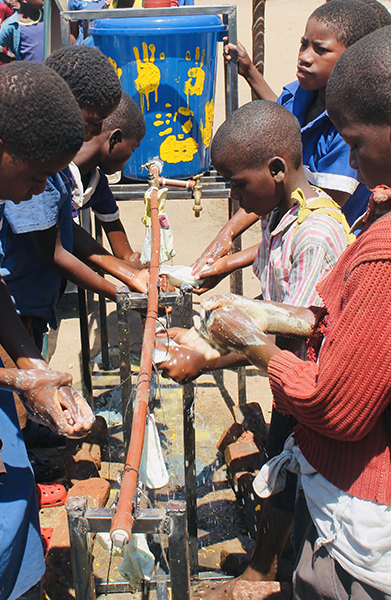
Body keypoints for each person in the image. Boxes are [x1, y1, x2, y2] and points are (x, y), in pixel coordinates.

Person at [189, 25, 391, 600]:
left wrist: (236, 346)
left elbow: (334, 397)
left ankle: (262, 573)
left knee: (288, 479)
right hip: (304, 396)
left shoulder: (348, 238)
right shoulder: (291, 217)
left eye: (354, 142)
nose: (350, 161)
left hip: (344, 473)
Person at [158, 99, 353, 586]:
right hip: (288, 374)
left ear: (276, 169)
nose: (235, 195)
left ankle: (266, 571)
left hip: (311, 379)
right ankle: (273, 563)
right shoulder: (278, 212)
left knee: (290, 473)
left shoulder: (318, 234)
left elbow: (295, 334)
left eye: (238, 183)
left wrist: (206, 356)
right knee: (281, 462)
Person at [0, 61, 94, 600]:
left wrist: (31, 365)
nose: (37, 192)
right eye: (37, 177)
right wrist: (14, 381)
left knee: (12, 479)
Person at [191, 0, 379, 288]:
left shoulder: (347, 132)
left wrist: (229, 261)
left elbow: (306, 215)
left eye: (320, 49)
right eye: (303, 44)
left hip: (325, 262)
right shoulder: (301, 94)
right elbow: (276, 126)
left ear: (352, 58)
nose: (304, 57)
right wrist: (226, 234)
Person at [0, 46, 148, 359]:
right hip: (7, 312)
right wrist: (120, 290)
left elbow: (64, 230)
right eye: (92, 123)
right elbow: (52, 252)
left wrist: (130, 274)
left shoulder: (56, 167)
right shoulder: (34, 165)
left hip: (29, 307)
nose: (94, 133)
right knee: (17, 399)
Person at [70, 91, 145, 268]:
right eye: (132, 149)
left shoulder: (96, 183)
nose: (129, 159)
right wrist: (129, 274)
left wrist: (134, 264)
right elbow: (71, 242)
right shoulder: (56, 176)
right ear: (115, 139)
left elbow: (122, 249)